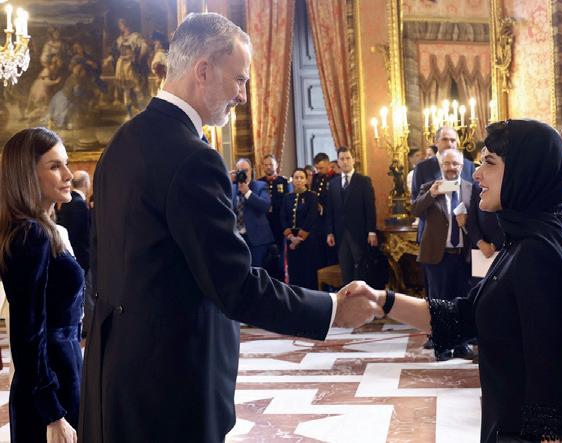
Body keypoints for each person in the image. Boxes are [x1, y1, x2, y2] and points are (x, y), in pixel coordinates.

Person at [79, 13, 381, 442]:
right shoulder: (193, 158)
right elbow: (234, 285)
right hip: (171, 390)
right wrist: (332, 310)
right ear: (203, 70)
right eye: (239, 79)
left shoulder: (122, 143)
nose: (242, 95)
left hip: (117, 379)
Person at [352, 119, 562, 442]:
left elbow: (552, 374)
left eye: (489, 163)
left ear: (523, 172)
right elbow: (464, 316)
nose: (476, 174)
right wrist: (382, 300)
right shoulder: (531, 237)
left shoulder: (538, 252)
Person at [0, 128, 83, 443]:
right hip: (49, 388)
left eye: (66, 164)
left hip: (60, 375)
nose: (68, 175)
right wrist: (52, 412)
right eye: (55, 166)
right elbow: (27, 335)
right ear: (27, 174)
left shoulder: (40, 230)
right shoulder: (29, 235)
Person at [411, 149, 474, 360]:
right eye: (447, 163)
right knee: (439, 303)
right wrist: (431, 194)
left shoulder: (471, 189)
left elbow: (480, 219)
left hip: (463, 256)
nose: (451, 168)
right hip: (437, 255)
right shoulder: (430, 187)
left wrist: (467, 222)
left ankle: (462, 344)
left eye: (455, 164)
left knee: (461, 301)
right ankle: (443, 346)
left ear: (462, 166)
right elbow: (416, 210)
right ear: (441, 166)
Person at [326, 147, 377, 284]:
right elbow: (330, 209)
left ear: (353, 160)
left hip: (359, 232)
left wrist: (371, 231)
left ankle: (362, 295)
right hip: (340, 232)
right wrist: (329, 232)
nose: (345, 162)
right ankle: (348, 296)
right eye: (342, 159)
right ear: (338, 161)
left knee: (361, 268)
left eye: (348, 158)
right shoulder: (333, 183)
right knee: (345, 268)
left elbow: (370, 207)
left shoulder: (363, 181)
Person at [281, 168, 321, 289]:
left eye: (301, 178)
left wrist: (299, 238)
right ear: (292, 180)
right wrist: (291, 237)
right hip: (291, 239)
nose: (299, 180)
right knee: (294, 272)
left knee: (308, 272)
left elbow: (311, 217)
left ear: (306, 180)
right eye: (296, 178)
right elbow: (283, 217)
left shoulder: (312, 196)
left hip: (307, 239)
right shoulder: (287, 197)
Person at [231, 158, 274, 268]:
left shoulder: (261, 186)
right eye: (239, 171)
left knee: (256, 271)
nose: (242, 173)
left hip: (257, 239)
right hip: (237, 238)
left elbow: (265, 206)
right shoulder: (232, 188)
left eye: (245, 170)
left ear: (251, 170)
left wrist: (247, 192)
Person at [258, 154, 292, 279]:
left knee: (280, 258)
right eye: (266, 165)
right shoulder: (259, 182)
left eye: (271, 164)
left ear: (276, 166)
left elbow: (287, 203)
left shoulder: (283, 182)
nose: (268, 167)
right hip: (264, 225)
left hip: (279, 224)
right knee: (265, 258)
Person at [57, 170, 91, 273]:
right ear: (85, 183)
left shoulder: (68, 200)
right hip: (79, 257)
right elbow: (74, 233)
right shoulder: (79, 203)